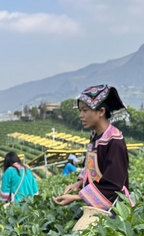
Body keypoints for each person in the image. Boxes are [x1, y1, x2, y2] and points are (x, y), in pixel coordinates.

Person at [53, 85, 130, 219]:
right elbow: (90, 167)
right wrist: (78, 183)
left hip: (114, 207)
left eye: (85, 110)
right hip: (96, 204)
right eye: (80, 111)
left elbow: (113, 183)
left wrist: (77, 197)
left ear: (101, 111)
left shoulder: (114, 141)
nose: (81, 115)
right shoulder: (95, 136)